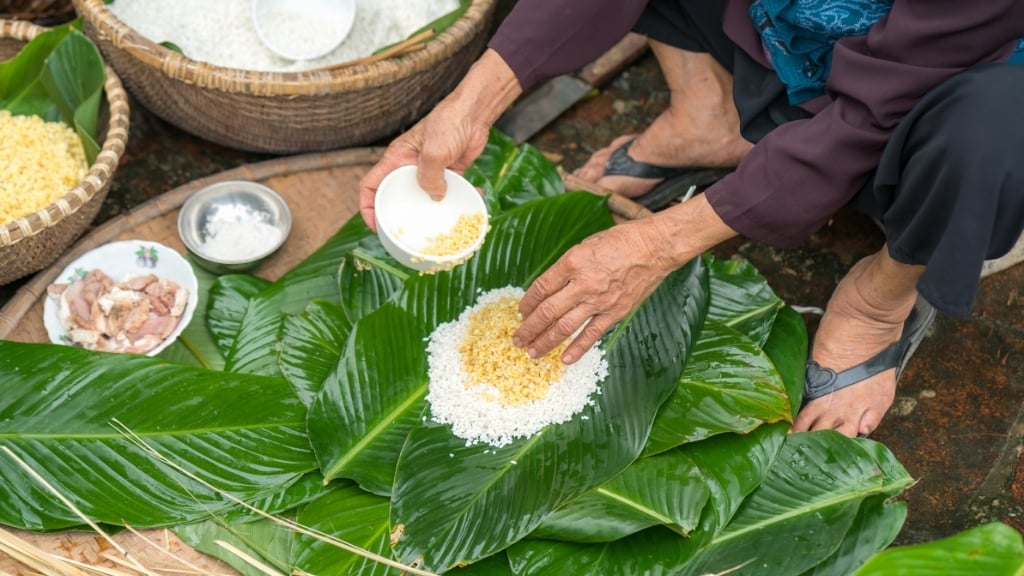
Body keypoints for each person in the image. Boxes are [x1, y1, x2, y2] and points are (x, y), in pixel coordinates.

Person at [359, 0, 1024, 438]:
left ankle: (882, 297)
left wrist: (656, 245)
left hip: (944, 90)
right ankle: (707, 114)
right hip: (788, 28)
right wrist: (472, 103)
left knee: (995, 129)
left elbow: (870, 116)